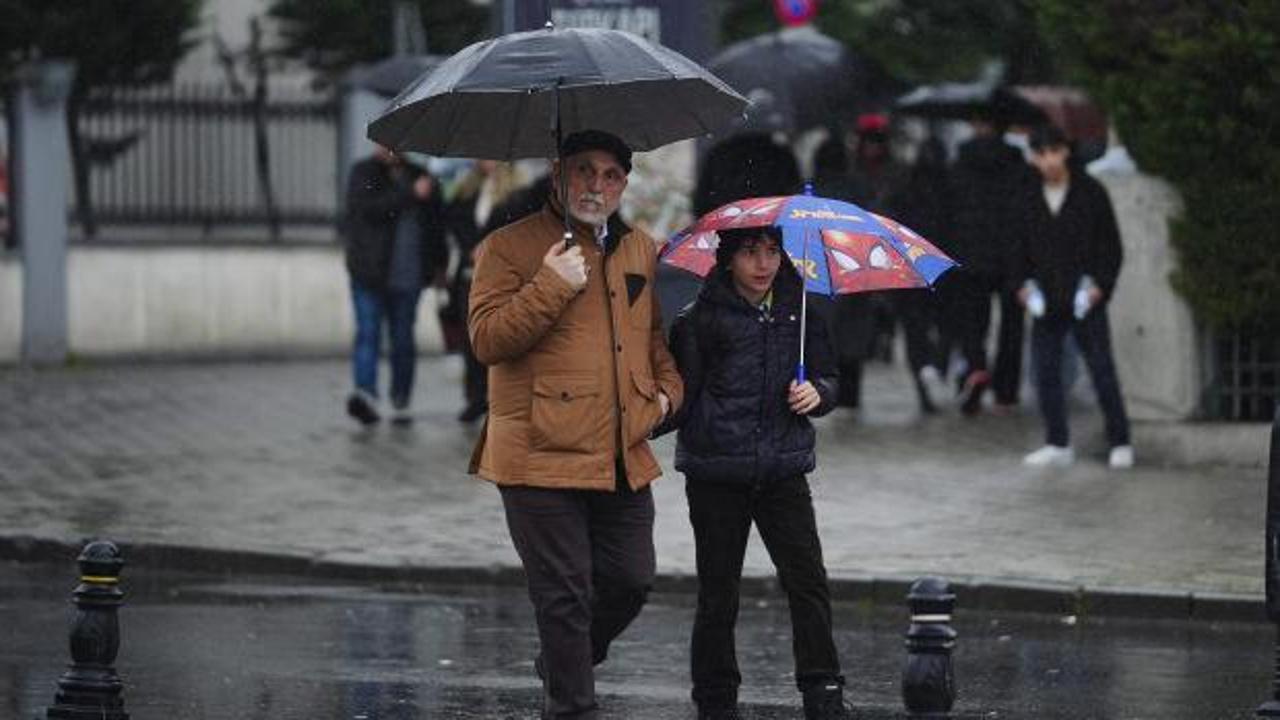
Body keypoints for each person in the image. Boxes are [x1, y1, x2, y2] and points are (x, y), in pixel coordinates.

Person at [466, 129, 684, 719]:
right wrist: (549, 285)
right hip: (537, 449)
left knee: (631, 580)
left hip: (619, 446)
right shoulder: (507, 248)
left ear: (624, 184)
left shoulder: (638, 247)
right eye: (584, 170)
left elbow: (652, 338)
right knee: (564, 595)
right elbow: (486, 340)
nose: (597, 185)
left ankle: (564, 659)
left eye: (611, 175)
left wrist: (668, 396)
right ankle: (572, 705)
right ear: (557, 173)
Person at [666, 226, 850, 720]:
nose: (763, 263)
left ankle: (823, 690)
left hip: (783, 469)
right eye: (750, 252)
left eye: (772, 251)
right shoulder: (699, 319)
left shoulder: (802, 310)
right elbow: (680, 395)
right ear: (727, 259)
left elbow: (831, 377)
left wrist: (819, 395)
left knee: (808, 581)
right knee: (718, 591)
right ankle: (715, 699)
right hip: (716, 473)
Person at [1014, 125, 1133, 469]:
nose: (1049, 160)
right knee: (1046, 373)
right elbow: (1015, 247)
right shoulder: (1027, 196)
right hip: (1045, 298)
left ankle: (1120, 439)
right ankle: (1057, 441)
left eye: (1054, 151)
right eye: (1041, 154)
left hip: (1085, 297)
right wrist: (1021, 285)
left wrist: (1100, 286)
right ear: (1034, 158)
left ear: (1065, 151)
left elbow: (1110, 247)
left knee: (1101, 369)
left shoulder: (1091, 193)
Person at [342, 144, 448, 425]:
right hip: (369, 273)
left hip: (409, 275)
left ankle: (401, 391)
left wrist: (440, 266)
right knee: (368, 333)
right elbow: (368, 209)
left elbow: (437, 226)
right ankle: (365, 393)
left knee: (402, 338)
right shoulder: (364, 172)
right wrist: (411, 194)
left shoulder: (423, 175)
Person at [942, 108, 1038, 415]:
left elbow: (949, 211)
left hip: (969, 255)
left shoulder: (959, 165)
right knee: (1012, 325)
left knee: (973, 322)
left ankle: (976, 367)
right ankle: (1006, 394)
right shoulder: (1020, 166)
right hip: (1013, 257)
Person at [444, 160, 527, 423]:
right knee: (472, 339)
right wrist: (471, 246)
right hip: (469, 273)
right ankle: (475, 396)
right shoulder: (467, 189)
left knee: (502, 338)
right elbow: (453, 221)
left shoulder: (519, 192)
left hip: (503, 275)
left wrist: (490, 247)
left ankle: (500, 397)